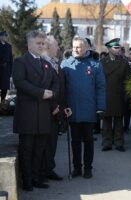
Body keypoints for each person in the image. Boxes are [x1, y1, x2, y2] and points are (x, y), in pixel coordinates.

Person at [12, 30, 59, 191]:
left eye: (43, 43)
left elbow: (55, 80)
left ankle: (37, 177)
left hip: (44, 113)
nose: (41, 46)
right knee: (27, 149)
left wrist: (52, 93)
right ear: (29, 44)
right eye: (38, 43)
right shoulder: (21, 61)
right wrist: (41, 93)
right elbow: (20, 82)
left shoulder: (45, 62)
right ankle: (27, 181)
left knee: (40, 148)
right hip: (28, 114)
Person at [61, 36, 106, 178]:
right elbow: (62, 89)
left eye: (79, 46)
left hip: (89, 109)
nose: (76, 49)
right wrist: (64, 106)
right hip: (72, 109)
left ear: (86, 47)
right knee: (75, 141)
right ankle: (77, 168)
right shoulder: (65, 65)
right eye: (74, 46)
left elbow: (100, 87)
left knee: (88, 140)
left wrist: (100, 107)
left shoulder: (95, 65)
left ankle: (88, 168)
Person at [41, 35, 64, 181]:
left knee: (53, 142)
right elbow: (44, 88)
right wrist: (52, 107)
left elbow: (61, 88)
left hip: (57, 109)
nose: (58, 48)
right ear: (48, 47)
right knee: (45, 144)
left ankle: (49, 168)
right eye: (56, 45)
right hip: (47, 110)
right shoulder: (43, 63)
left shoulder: (56, 63)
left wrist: (63, 106)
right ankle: (42, 171)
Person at [101, 38, 130, 152]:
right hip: (106, 95)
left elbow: (128, 80)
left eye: (118, 47)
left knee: (118, 120)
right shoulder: (102, 62)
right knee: (106, 120)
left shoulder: (124, 62)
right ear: (109, 49)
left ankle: (119, 142)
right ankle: (106, 142)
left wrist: (127, 95)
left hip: (119, 95)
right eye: (115, 47)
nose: (118, 49)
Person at [0, 31, 13, 105]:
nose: (6, 37)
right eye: (5, 36)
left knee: (4, 88)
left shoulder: (9, 46)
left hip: (6, 70)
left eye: (6, 36)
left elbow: (11, 59)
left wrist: (10, 72)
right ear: (1, 37)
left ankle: (2, 104)